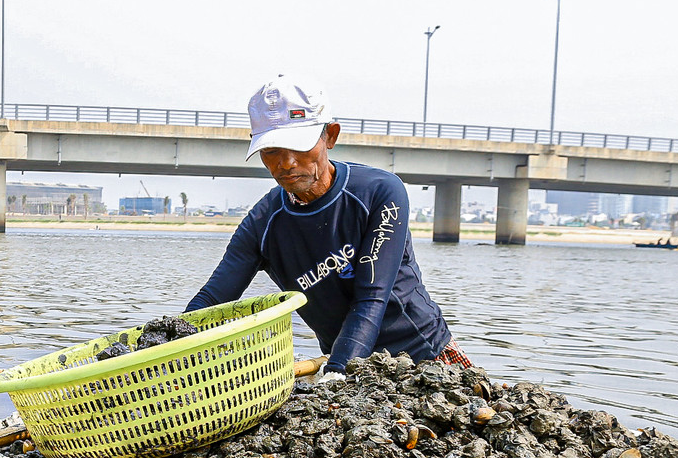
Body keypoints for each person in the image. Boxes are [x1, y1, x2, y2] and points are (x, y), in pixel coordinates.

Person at [187, 73, 469, 377]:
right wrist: (169, 341)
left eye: (298, 145)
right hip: (342, 359)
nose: (286, 163)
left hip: (425, 355)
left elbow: (371, 297)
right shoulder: (262, 223)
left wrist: (335, 373)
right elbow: (212, 300)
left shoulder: (379, 192)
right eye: (271, 151)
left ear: (330, 136)